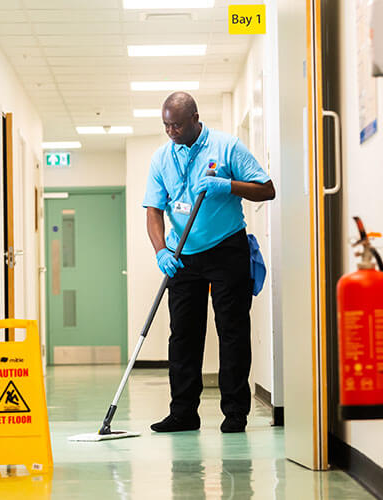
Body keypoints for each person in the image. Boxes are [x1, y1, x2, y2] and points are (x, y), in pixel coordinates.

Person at [143, 92, 275, 434]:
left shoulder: (227, 147)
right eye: (166, 125)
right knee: (183, 335)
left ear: (195, 118)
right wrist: (161, 251)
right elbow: (154, 211)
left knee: (232, 330)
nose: (171, 131)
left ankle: (235, 413)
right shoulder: (161, 159)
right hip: (182, 253)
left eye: (177, 124)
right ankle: (183, 412)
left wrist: (227, 185)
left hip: (226, 247)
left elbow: (267, 189)